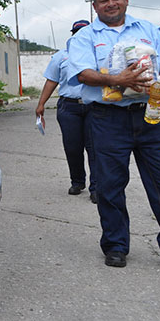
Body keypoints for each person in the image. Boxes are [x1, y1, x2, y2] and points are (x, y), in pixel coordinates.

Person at [67, 0, 160, 274]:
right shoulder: (85, 36)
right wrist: (118, 80)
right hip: (107, 119)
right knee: (110, 185)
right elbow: (83, 74)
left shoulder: (149, 30)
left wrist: (157, 86)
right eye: (103, 0)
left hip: (151, 117)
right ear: (95, 5)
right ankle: (115, 245)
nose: (110, 4)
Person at [35, 19, 97, 203]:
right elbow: (51, 81)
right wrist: (41, 104)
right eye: (76, 32)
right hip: (69, 107)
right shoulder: (61, 56)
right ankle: (77, 182)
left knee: (95, 148)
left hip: (94, 107)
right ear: (72, 35)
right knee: (73, 147)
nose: (80, 35)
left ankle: (97, 187)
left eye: (84, 32)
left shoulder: (97, 54)